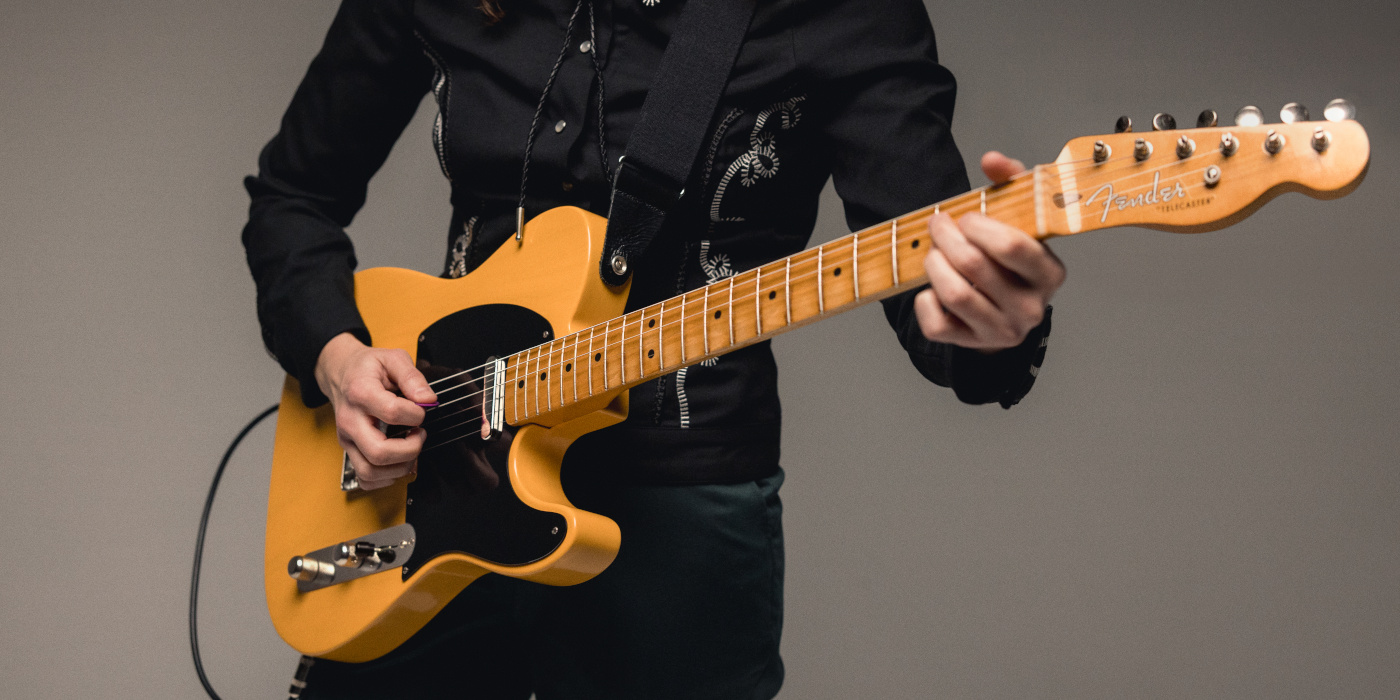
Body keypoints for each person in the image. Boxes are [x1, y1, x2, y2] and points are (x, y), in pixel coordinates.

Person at [242, 0, 1064, 696]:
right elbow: (292, 196)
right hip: (430, 483)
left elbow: (936, 280)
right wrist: (340, 360)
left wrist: (993, 321)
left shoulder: (837, 11)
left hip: (681, 518)